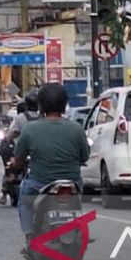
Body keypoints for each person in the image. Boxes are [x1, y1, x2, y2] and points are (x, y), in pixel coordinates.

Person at [9, 83, 89, 243]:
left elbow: (18, 160)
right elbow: (85, 157)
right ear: (65, 104)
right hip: (72, 183)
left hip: (39, 183)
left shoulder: (31, 129)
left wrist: (15, 164)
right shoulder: (76, 128)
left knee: (24, 200)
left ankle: (30, 234)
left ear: (41, 105)